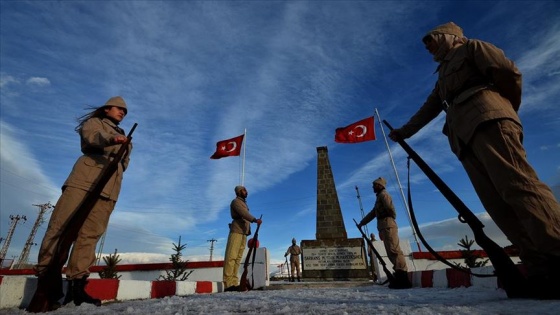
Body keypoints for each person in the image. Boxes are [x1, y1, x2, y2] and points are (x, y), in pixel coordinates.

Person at [388, 22, 560, 299]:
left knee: (520, 188)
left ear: (449, 36)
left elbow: (508, 73)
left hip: (489, 121)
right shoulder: (442, 75)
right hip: (463, 137)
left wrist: (499, 108)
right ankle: (540, 269)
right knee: (497, 204)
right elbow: (428, 109)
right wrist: (403, 132)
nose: (427, 46)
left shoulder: (472, 47)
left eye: (430, 39)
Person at [35, 96, 132, 307]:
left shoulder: (125, 135)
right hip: (84, 181)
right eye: (119, 109)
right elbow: (92, 138)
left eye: (125, 111)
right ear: (107, 109)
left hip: (109, 189)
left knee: (90, 236)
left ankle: (76, 288)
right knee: (60, 227)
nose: (123, 113)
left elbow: (124, 163)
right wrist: (112, 140)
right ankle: (46, 281)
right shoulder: (96, 124)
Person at [358, 177, 411, 289]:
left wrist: (390, 218)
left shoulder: (384, 195)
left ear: (380, 185)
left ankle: (402, 276)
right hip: (383, 226)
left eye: (374, 185)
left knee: (394, 250)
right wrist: (362, 223)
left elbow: (390, 208)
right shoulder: (379, 198)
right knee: (390, 251)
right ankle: (398, 272)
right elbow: (373, 213)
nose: (373, 187)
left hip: (388, 224)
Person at [223, 185, 262, 292]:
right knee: (231, 257)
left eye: (246, 190)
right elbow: (243, 213)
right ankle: (228, 283)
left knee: (238, 259)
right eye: (244, 190)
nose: (246, 191)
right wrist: (254, 220)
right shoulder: (235, 202)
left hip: (244, 233)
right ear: (238, 192)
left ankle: (234, 282)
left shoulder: (244, 203)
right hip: (236, 231)